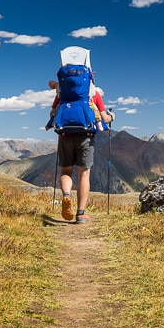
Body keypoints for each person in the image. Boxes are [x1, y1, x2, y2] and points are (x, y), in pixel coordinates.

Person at [45, 77, 114, 224]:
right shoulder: (93, 93)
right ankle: (80, 214)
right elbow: (104, 118)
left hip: (65, 136)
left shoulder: (62, 93)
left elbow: (53, 113)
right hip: (86, 137)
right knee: (84, 175)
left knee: (66, 172)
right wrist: (111, 116)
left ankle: (67, 195)